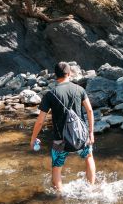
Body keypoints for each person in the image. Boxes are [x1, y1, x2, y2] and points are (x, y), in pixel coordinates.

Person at [30, 61, 96, 191]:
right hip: (81, 136)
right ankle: (91, 190)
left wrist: (33, 139)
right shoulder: (79, 89)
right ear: (69, 73)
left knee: (57, 167)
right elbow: (89, 111)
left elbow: (40, 121)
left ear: (55, 75)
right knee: (89, 158)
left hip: (60, 139)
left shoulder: (50, 94)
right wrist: (91, 132)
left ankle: (60, 197)